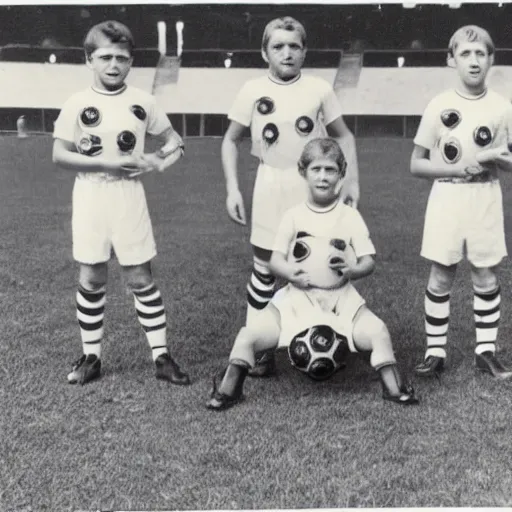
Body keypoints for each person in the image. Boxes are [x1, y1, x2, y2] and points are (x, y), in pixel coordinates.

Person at [207, 138, 418, 410]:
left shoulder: (350, 216)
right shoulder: (293, 216)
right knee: (248, 335)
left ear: (341, 173)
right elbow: (273, 260)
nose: (322, 177)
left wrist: (354, 269)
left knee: (377, 332)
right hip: (296, 301)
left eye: (330, 170)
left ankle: (394, 388)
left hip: (341, 301)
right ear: (302, 171)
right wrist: (290, 274)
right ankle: (228, 390)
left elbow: (369, 261)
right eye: (316, 169)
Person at [52, 20, 190, 386]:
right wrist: (105, 162)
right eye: (105, 57)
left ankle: (161, 357)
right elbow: (59, 154)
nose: (113, 65)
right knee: (92, 275)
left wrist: (159, 161)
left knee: (140, 275)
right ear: (89, 60)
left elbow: (176, 141)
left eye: (122, 58)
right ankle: (91, 357)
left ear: (131, 63)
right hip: (91, 193)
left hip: (128, 197)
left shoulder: (144, 102)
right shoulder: (78, 103)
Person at [222, 16, 359, 376]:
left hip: (310, 188)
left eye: (294, 46)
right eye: (278, 46)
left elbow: (345, 137)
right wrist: (233, 188)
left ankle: (326, 335)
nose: (287, 53)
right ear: (264, 52)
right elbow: (229, 140)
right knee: (265, 267)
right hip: (269, 184)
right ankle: (259, 347)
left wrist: (352, 183)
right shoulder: (251, 89)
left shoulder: (318, 89)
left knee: (315, 264)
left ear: (305, 51)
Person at [410, 25, 512, 379]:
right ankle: (434, 352)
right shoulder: (439, 105)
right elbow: (416, 163)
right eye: (465, 54)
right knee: (441, 274)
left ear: (491, 60)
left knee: (485, 275)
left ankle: (486, 352)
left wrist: (498, 159)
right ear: (451, 59)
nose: (473, 61)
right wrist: (452, 168)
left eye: (480, 54)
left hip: (485, 197)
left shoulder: (503, 107)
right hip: (447, 196)